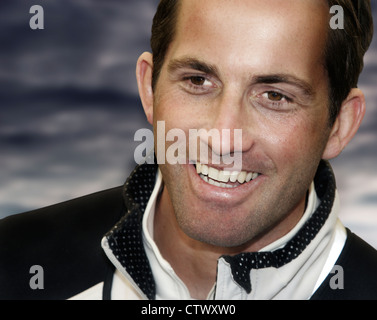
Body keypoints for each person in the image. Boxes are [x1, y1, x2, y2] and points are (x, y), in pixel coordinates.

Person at [0, 0, 376, 300]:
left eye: (275, 96)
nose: (223, 138)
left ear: (339, 125)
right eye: (198, 80)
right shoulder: (12, 262)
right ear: (150, 89)